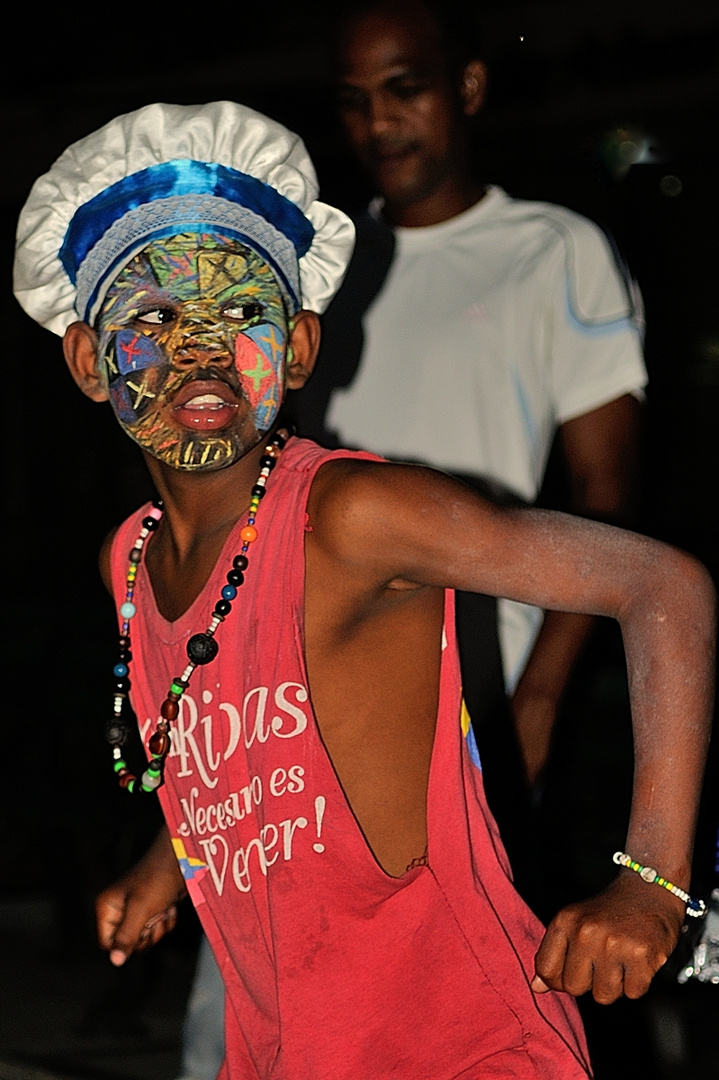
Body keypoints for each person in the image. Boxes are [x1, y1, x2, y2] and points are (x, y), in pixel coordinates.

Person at [14, 100, 714, 1080]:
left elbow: (661, 585)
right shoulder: (130, 562)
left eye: (243, 313)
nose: (204, 351)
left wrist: (651, 882)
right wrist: (167, 862)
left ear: (298, 347)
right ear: (91, 361)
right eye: (154, 318)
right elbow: (232, 752)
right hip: (286, 1050)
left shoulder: (350, 514)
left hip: (459, 1046)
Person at [289, 0, 647, 794]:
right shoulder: (320, 266)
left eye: (404, 89)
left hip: (480, 655)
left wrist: (542, 692)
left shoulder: (553, 249)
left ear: (469, 87)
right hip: (318, 662)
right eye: (354, 100)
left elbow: (605, 494)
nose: (378, 122)